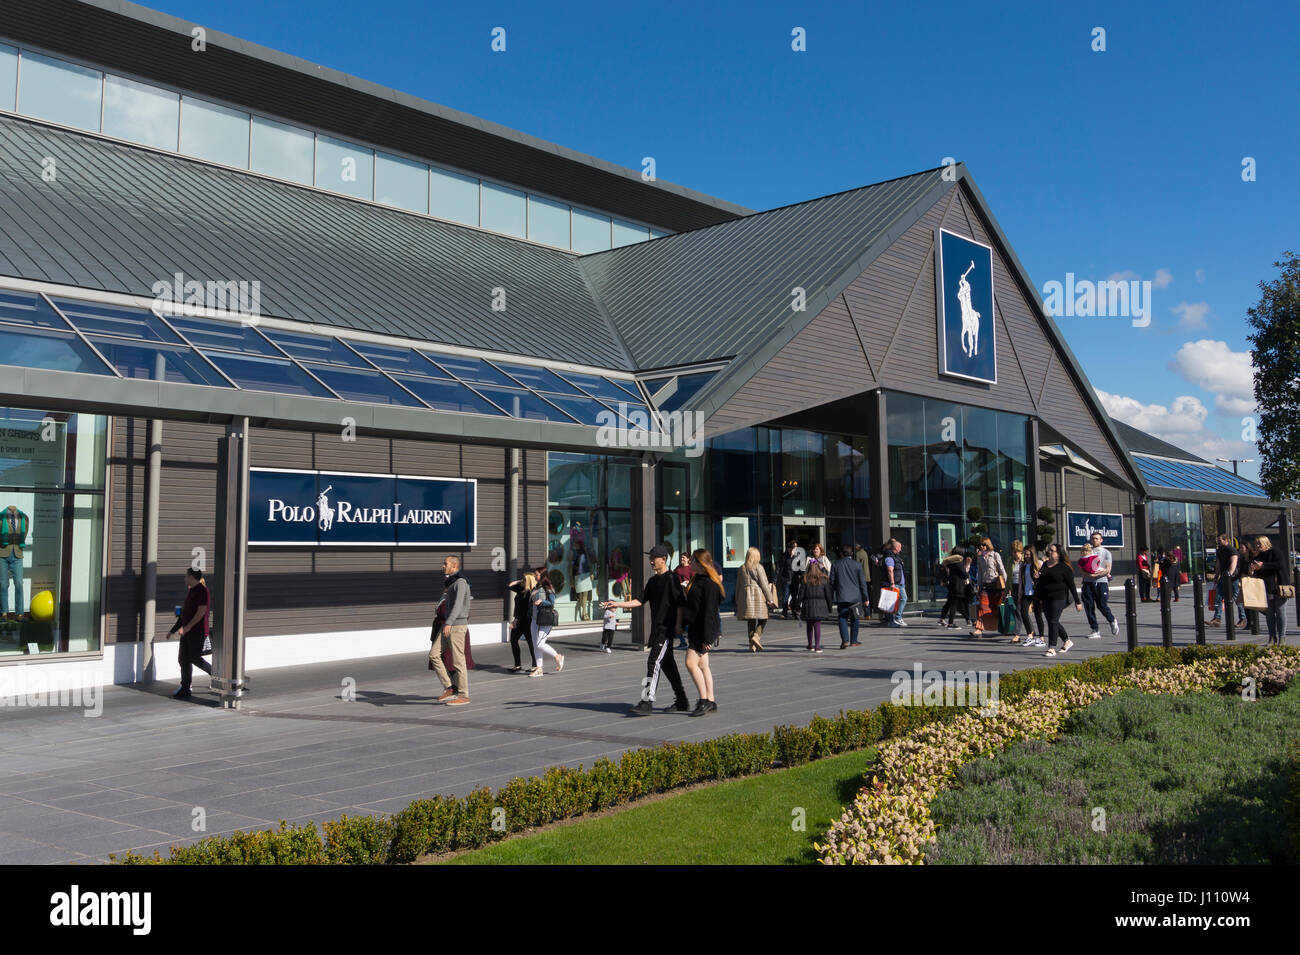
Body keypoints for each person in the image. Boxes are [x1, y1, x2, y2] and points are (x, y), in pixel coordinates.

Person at [604, 544, 690, 716]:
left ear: (663, 559)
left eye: (653, 558)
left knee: (653, 662)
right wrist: (617, 604)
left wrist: (679, 625)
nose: (651, 561)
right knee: (668, 665)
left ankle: (647, 700)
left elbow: (680, 604)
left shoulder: (672, 579)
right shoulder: (652, 581)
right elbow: (639, 601)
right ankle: (682, 700)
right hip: (657, 628)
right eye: (650, 558)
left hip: (666, 629)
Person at [682, 549, 723, 715]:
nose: (690, 563)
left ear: (701, 563)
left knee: (690, 663)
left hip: (703, 631)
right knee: (703, 665)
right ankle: (711, 700)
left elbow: (709, 613)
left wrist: (708, 638)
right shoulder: (697, 579)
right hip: (695, 628)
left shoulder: (710, 584)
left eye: (693, 561)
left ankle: (703, 700)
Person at [430, 555, 472, 705]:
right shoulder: (451, 583)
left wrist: (449, 623)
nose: (443, 566)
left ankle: (463, 695)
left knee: (458, 660)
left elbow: (458, 605)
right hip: (448, 624)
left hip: (456, 625)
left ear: (454, 566)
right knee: (434, 654)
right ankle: (449, 687)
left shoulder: (460, 582)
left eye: (445, 563)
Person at [171, 567, 212, 699]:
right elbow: (185, 614)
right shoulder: (191, 591)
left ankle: (217, 674)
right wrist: (173, 630)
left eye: (186, 576)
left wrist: (188, 627)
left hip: (197, 632)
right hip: (186, 632)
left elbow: (201, 612)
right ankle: (185, 688)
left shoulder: (202, 591)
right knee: (183, 659)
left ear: (191, 577)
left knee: (194, 658)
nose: (184, 578)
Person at [1036, 543, 1082, 657]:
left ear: (1058, 553)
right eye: (1049, 550)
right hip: (1046, 597)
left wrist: (1078, 601)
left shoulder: (1064, 567)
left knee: (1053, 621)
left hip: (1059, 598)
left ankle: (1051, 647)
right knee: (1053, 621)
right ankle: (1067, 641)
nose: (1049, 552)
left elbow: (1072, 585)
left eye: (1052, 551)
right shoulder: (1046, 564)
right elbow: (1041, 581)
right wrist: (1037, 578)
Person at [735, 546, 776, 652]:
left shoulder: (741, 568)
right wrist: (770, 599)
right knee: (764, 618)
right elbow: (764, 584)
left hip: (745, 596)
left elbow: (738, 585)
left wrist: (737, 599)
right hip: (758, 595)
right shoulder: (758, 567)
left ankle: (751, 645)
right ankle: (756, 636)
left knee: (751, 620)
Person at [1248, 536, 1287, 645]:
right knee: (1269, 614)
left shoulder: (1275, 552)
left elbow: (1280, 565)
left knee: (1280, 612)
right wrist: (1253, 570)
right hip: (1266, 588)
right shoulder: (1259, 556)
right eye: (1257, 544)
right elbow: (1259, 573)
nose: (1258, 546)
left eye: (1260, 543)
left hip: (1278, 587)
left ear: (1266, 543)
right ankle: (1272, 637)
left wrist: (1263, 565)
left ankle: (1282, 638)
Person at [1081, 531, 1119, 639]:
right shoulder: (1088, 551)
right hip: (1088, 582)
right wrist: (1089, 575)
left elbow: (1108, 569)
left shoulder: (1106, 552)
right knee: (1089, 606)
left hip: (1101, 582)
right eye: (1093, 538)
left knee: (1102, 605)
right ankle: (1095, 629)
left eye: (1097, 538)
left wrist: (1096, 574)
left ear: (1101, 540)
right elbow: (1082, 566)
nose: (1095, 540)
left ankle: (1112, 620)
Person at [830, 544, 870, 648]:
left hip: (842, 595)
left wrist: (832, 595)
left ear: (841, 553)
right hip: (855, 597)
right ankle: (854, 640)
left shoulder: (835, 564)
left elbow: (832, 582)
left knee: (842, 617)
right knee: (855, 618)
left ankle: (845, 640)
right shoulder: (857, 565)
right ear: (851, 553)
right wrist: (865, 598)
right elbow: (862, 583)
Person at [529, 571, 563, 676]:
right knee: (536, 646)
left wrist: (542, 602)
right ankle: (539, 669)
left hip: (545, 619)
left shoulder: (548, 588)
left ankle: (557, 656)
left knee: (540, 644)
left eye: (537, 574)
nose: (535, 576)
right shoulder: (536, 587)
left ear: (543, 576)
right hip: (534, 619)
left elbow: (552, 603)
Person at [969, 538, 1006, 637]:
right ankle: (978, 629)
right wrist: (979, 586)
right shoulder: (980, 557)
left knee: (996, 608)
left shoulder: (995, 555)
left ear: (988, 545)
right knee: (982, 607)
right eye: (980, 545)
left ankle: (1003, 627)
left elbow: (1001, 569)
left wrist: (1006, 584)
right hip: (985, 586)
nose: (981, 547)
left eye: (983, 545)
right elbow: (980, 572)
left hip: (996, 586)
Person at [506, 571, 538, 672]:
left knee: (530, 643)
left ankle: (535, 665)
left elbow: (523, 609)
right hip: (520, 620)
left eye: (524, 579)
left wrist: (515, 620)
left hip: (527, 620)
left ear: (529, 581)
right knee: (513, 640)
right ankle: (517, 665)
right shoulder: (521, 589)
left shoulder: (531, 592)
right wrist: (520, 580)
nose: (522, 580)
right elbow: (510, 585)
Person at [800, 559, 833, 652]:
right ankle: (817, 646)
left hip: (808, 604)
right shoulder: (824, 579)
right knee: (817, 625)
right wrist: (829, 607)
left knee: (809, 625)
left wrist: (797, 604)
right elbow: (828, 595)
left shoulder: (805, 579)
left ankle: (810, 645)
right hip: (820, 604)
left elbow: (801, 594)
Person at [1017, 545, 1046, 647]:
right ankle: (1030, 635)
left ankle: (1041, 637)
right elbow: (1021, 581)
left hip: (1037, 593)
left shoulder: (1040, 564)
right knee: (1023, 612)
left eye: (1028, 554)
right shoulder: (1023, 565)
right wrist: (1020, 593)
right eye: (1025, 554)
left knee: (1038, 615)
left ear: (1033, 554)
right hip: (1026, 592)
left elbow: (1044, 581)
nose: (1026, 556)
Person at [938, 546, 970, 628]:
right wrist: (967, 566)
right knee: (955, 604)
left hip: (951, 585)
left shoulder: (949, 562)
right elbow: (964, 575)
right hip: (958, 586)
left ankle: (968, 620)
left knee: (951, 603)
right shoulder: (959, 562)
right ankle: (951, 624)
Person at [1209, 534, 1238, 625]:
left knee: (1236, 597)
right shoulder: (1219, 551)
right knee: (1218, 596)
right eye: (1218, 540)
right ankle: (1217, 618)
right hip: (1223, 576)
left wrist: (1229, 575)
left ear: (1226, 540)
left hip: (1233, 577)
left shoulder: (1231, 550)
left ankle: (1243, 618)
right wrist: (1216, 575)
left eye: (1220, 540)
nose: (1218, 542)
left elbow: (1233, 563)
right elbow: (1218, 564)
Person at [881, 538, 907, 627]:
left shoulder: (896, 557)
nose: (901, 549)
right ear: (895, 548)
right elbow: (890, 570)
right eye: (900, 547)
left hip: (900, 583)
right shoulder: (889, 557)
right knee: (890, 602)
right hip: (894, 583)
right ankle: (892, 620)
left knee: (903, 598)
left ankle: (897, 618)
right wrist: (892, 583)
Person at [777, 539, 804, 619]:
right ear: (788, 548)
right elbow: (779, 568)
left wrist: (802, 576)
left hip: (795, 580)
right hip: (786, 579)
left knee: (794, 596)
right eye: (792, 548)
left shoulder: (798, 556)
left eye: (795, 548)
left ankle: (794, 612)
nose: (793, 550)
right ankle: (784, 612)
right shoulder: (784, 556)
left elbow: (801, 568)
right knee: (785, 596)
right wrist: (776, 579)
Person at [673, 554, 693, 649]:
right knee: (678, 619)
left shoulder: (690, 569)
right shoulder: (678, 568)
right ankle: (682, 641)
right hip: (679, 594)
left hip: (688, 595)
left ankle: (691, 641)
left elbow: (694, 580)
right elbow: (673, 576)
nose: (682, 559)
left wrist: (687, 583)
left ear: (688, 559)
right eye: (681, 557)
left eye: (684, 557)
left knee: (686, 619)